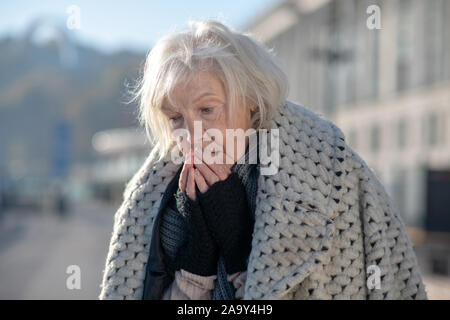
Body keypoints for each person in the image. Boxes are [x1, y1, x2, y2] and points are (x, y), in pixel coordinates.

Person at [99, 20, 428, 300]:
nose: (192, 134)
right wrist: (197, 257)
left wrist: (238, 243)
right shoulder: (156, 196)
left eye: (207, 110)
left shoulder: (328, 174)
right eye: (175, 118)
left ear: (251, 100)